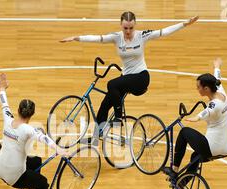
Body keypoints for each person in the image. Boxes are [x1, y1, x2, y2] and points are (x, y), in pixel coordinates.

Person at [60, 12, 199, 142]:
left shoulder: (142, 35)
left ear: (135, 25)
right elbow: (98, 38)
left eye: (131, 28)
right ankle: (97, 136)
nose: (128, 31)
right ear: (121, 25)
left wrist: (185, 23)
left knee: (111, 84)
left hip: (141, 78)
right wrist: (76, 38)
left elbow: (163, 32)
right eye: (125, 28)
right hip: (126, 78)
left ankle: (118, 118)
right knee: (104, 105)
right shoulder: (116, 37)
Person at [0, 73, 68, 189]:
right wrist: (59, 149)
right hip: (15, 176)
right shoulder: (28, 130)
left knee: (36, 161)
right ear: (32, 114)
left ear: (18, 110)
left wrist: (2, 87)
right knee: (44, 184)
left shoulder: (8, 119)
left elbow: (4, 102)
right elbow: (44, 139)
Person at [164, 58, 227, 186]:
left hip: (212, 148)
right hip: (226, 147)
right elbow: (217, 78)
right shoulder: (220, 90)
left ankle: (174, 170)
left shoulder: (214, 105)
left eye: (198, 87)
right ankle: (182, 183)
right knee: (195, 156)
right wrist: (217, 66)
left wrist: (195, 118)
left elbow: (205, 113)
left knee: (184, 132)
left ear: (206, 88)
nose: (197, 89)